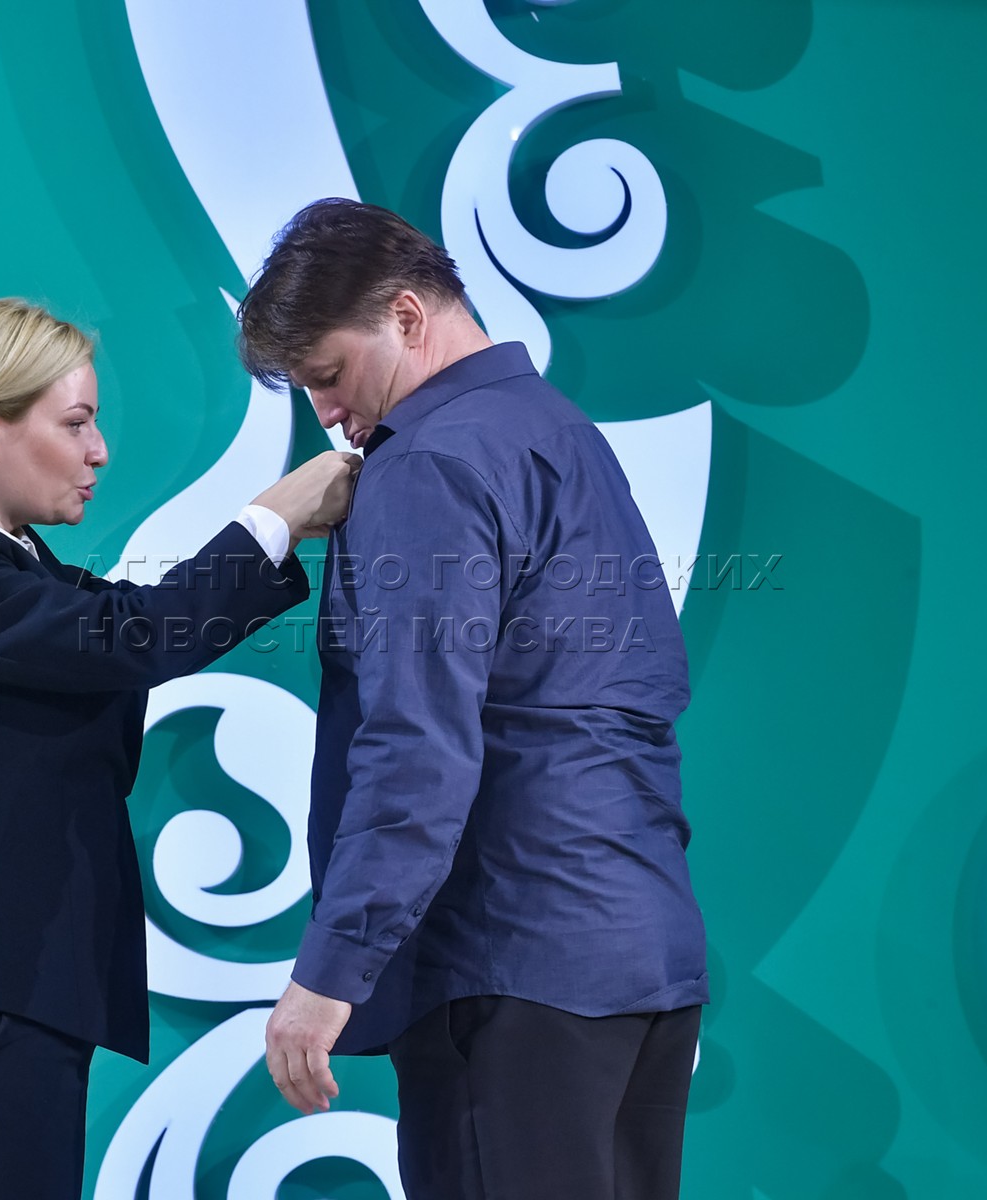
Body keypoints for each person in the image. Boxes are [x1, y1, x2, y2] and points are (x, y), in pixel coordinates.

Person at [239, 200, 708, 1200]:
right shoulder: (563, 431)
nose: (326, 412)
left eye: (328, 374)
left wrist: (328, 976)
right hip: (647, 961)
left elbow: (416, 750)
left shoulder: (425, 465)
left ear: (406, 316)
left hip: (509, 971)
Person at [0, 298, 359, 1200]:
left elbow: (125, 622)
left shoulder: (0, 558)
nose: (100, 452)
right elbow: (133, 637)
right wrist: (273, 516)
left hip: (6, 992)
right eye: (77, 423)